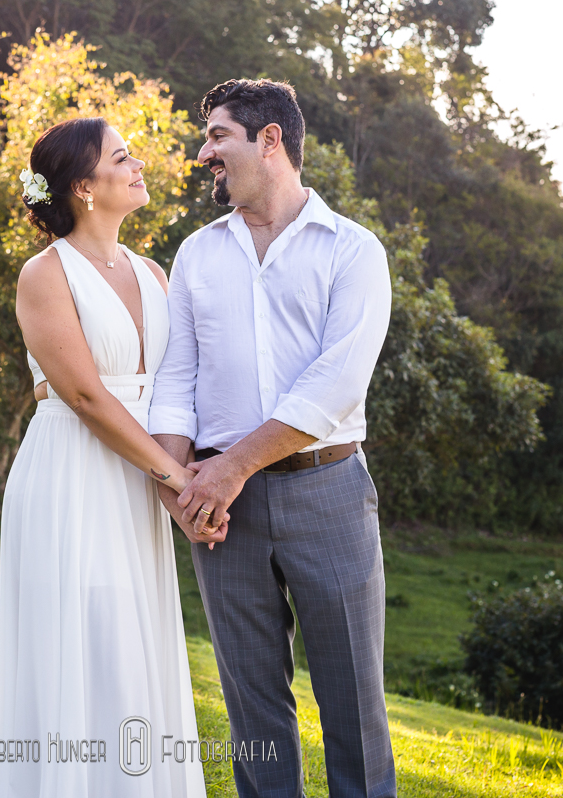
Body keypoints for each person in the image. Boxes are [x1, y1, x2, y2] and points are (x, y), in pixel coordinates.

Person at [149, 80, 395, 798]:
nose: (204, 154)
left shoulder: (353, 251)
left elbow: (337, 382)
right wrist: (177, 484)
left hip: (329, 492)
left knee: (353, 702)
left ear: (270, 140)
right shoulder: (196, 254)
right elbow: (177, 377)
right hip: (223, 515)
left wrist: (228, 469)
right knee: (252, 709)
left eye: (218, 136)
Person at [0, 116, 225, 798]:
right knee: (85, 640)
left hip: (141, 476)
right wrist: (177, 481)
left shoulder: (152, 272)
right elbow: (85, 395)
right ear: (84, 188)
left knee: (135, 643)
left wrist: (197, 477)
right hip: (73, 475)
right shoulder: (45, 274)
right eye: (122, 157)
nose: (137, 164)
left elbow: (176, 387)